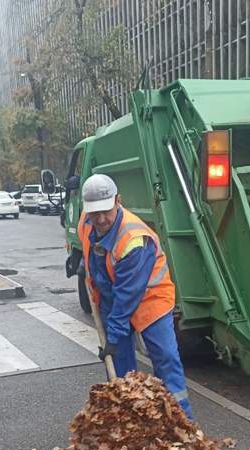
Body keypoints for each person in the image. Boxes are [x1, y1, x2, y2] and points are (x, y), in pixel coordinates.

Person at [77, 173, 192, 418]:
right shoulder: (86, 223)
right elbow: (91, 253)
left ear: (118, 201)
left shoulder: (134, 239)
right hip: (111, 297)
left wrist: (113, 337)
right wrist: (82, 262)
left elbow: (127, 295)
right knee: (119, 365)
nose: (100, 218)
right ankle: (128, 418)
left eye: (106, 211)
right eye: (94, 213)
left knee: (166, 359)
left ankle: (183, 422)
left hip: (151, 300)